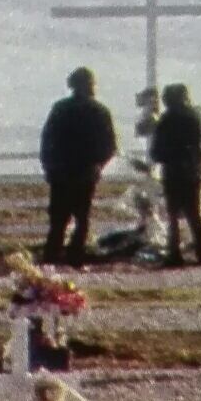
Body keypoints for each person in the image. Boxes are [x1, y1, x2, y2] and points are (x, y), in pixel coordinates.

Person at [39, 67, 119, 267]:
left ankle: (52, 256)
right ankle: (75, 256)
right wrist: (98, 165)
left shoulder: (60, 109)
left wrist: (49, 166)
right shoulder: (100, 111)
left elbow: (47, 140)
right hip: (85, 172)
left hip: (61, 172)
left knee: (58, 218)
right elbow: (110, 144)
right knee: (82, 217)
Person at [149, 83, 201, 267]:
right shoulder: (200, 115)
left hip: (173, 171)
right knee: (195, 213)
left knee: (173, 215)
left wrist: (161, 158)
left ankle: (174, 253)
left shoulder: (168, 118)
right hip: (195, 170)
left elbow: (157, 149)